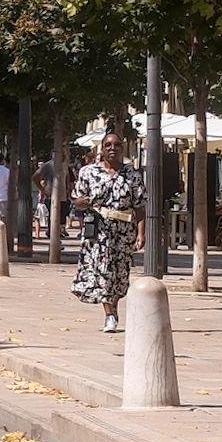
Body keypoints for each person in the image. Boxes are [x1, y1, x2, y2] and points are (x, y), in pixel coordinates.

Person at [69, 127, 140, 334]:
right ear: (101, 148)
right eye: (108, 145)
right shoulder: (88, 172)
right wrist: (82, 202)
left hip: (124, 230)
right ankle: (109, 314)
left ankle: (114, 307)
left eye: (117, 145)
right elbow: (77, 198)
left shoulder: (132, 174)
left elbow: (140, 205)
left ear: (122, 148)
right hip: (99, 230)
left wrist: (141, 233)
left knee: (120, 274)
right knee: (102, 271)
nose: (112, 148)